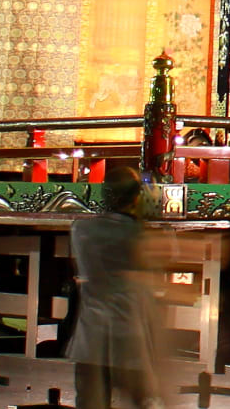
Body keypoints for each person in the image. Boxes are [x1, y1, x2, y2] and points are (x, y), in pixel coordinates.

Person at [68, 168, 163, 409]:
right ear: (135, 198)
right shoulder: (136, 234)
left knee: (90, 403)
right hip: (128, 339)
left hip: (91, 338)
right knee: (142, 402)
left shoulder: (80, 230)